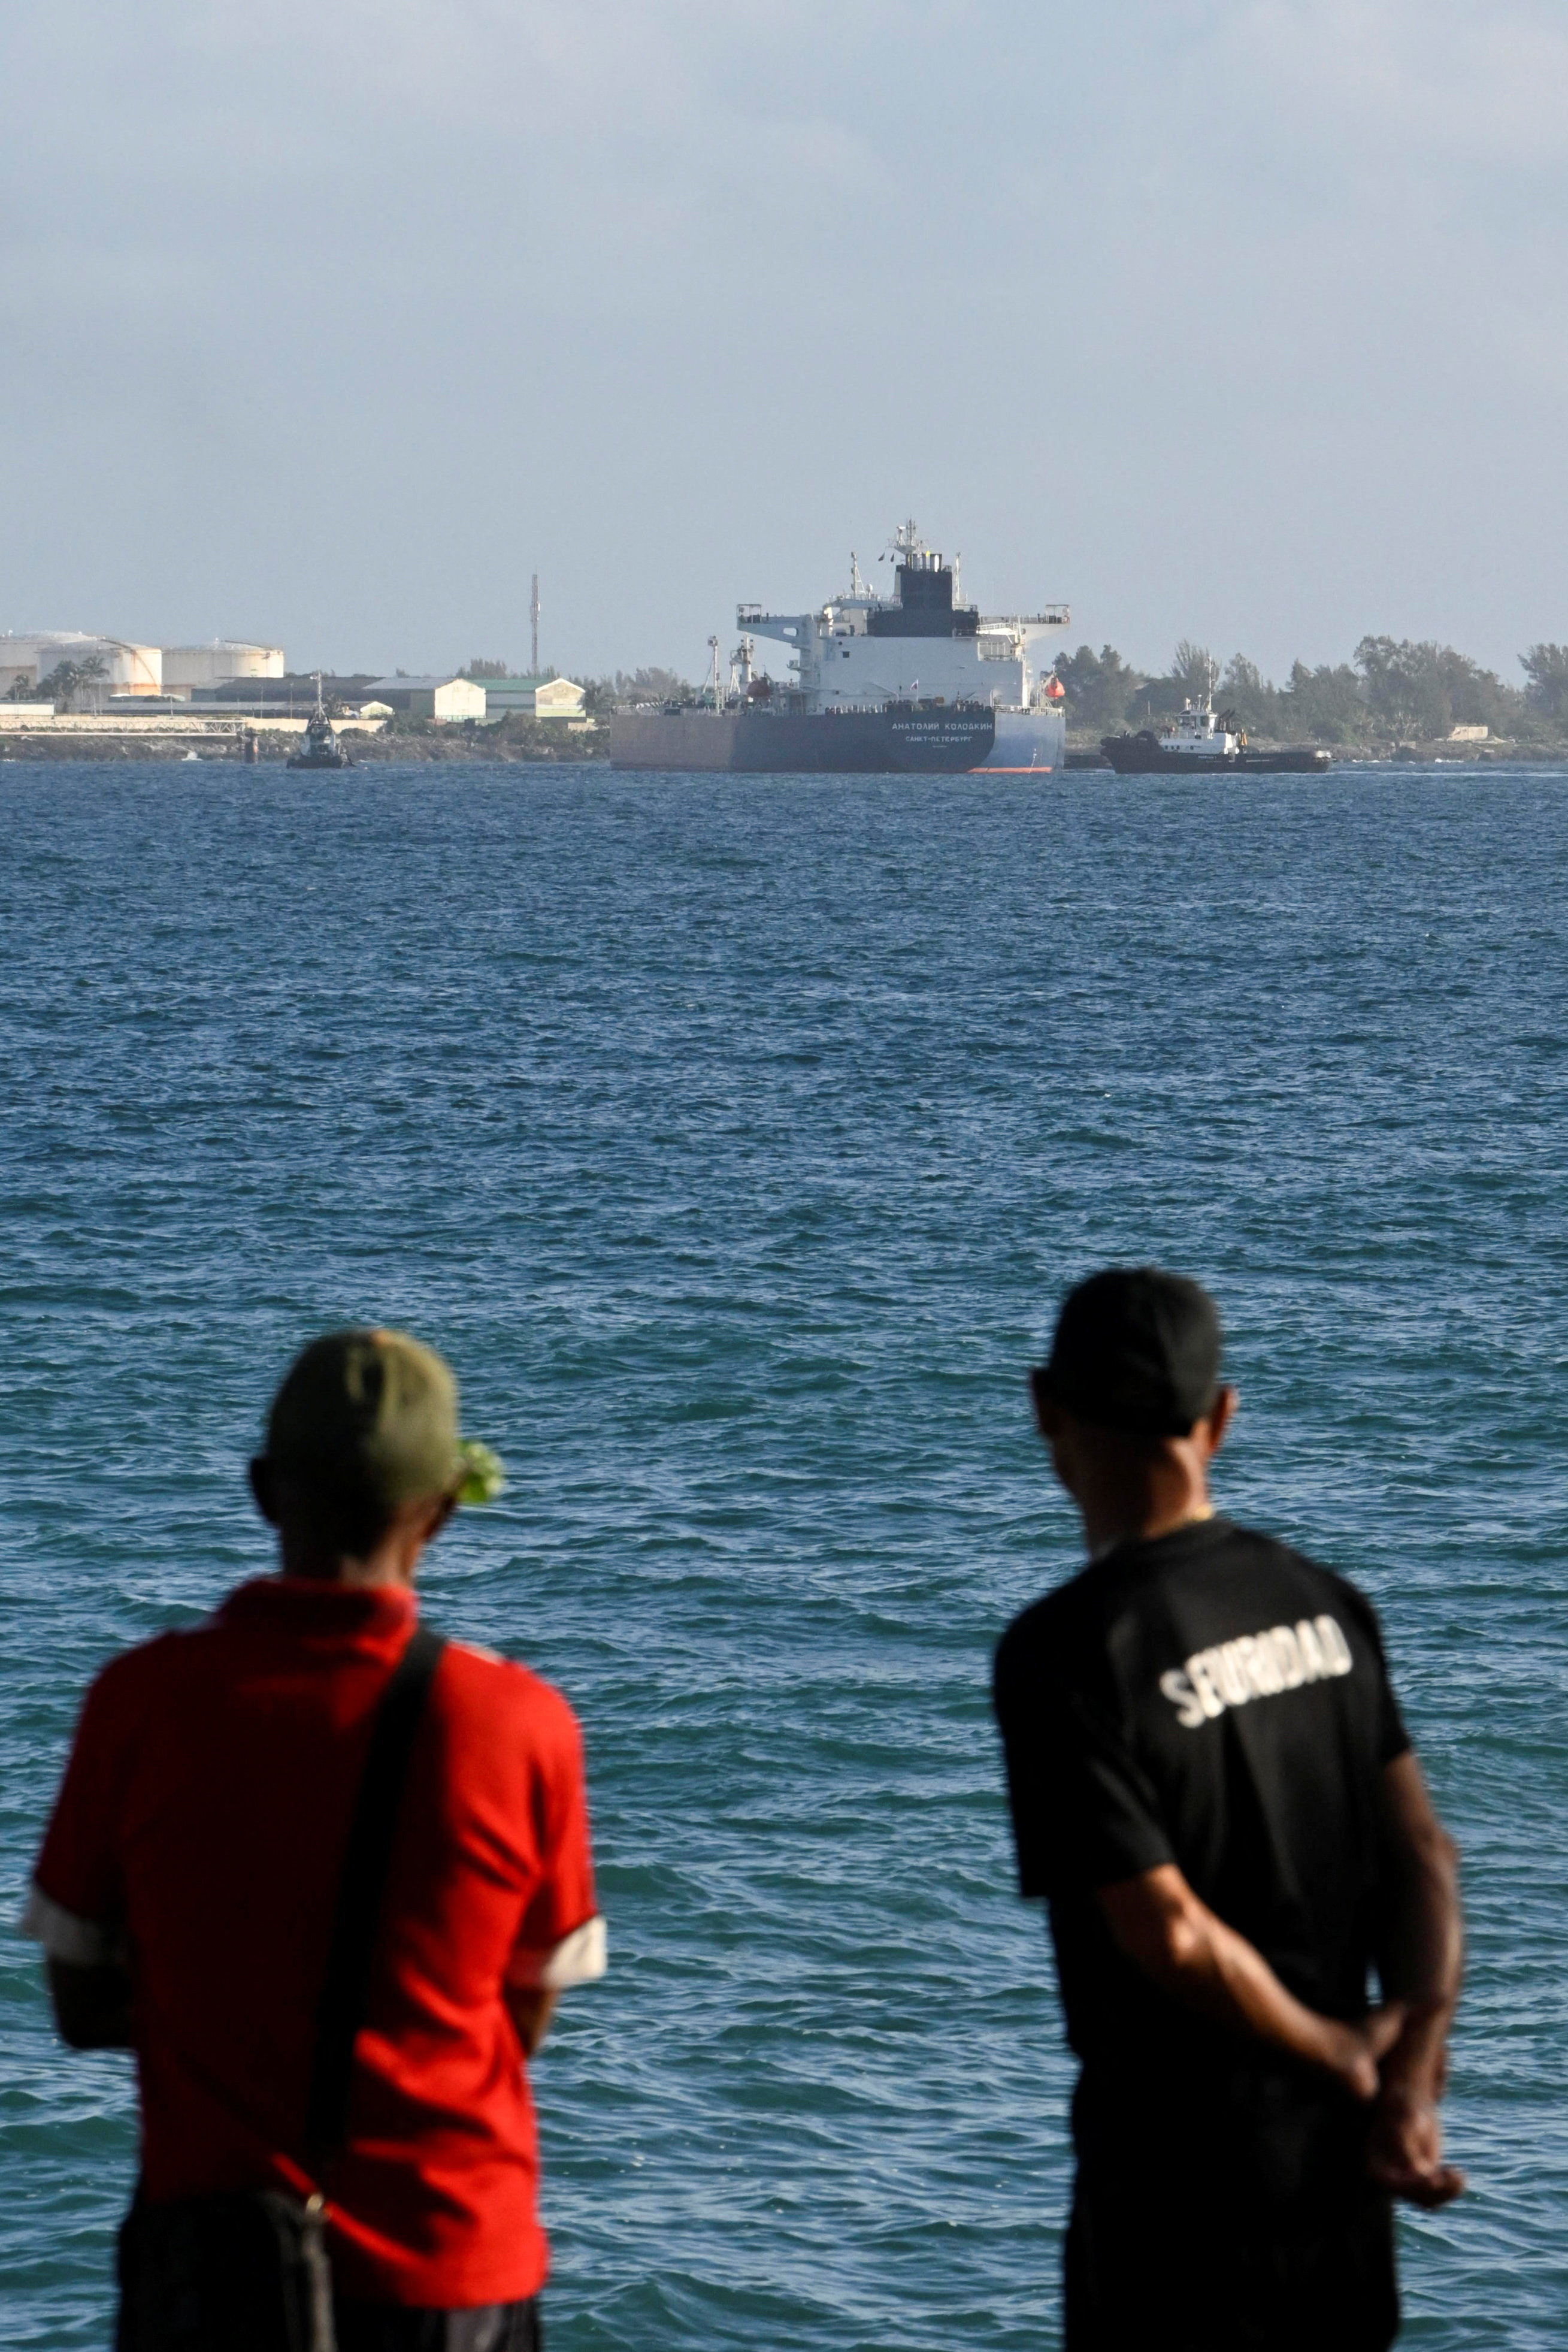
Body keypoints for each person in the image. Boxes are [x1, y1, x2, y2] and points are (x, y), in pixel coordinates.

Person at [23, 1328, 606, 2351]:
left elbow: (79, 2005)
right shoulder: (517, 1723)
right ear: (441, 1512)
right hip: (452, 2270)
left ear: (262, 1490)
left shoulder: (141, 1702)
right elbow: (522, 2014)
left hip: (215, 2262)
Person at [992, 1268, 1463, 2352]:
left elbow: (1163, 1927)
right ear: (1219, 1418)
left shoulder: (1064, 1652)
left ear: (1043, 1408)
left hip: (1173, 2200)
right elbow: (1424, 1854)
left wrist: (1330, 2050)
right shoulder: (1324, 1602)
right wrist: (1407, 2076)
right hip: (1337, 2188)